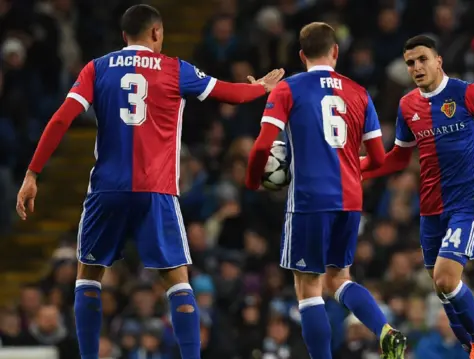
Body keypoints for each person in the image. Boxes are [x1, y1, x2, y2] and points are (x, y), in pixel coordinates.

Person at [15, 5, 283, 359]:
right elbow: (231, 94)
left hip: (107, 190)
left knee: (88, 276)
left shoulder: (96, 68)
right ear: (156, 32)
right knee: (177, 281)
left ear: (124, 35)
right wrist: (262, 87)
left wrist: (33, 173)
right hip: (155, 190)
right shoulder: (175, 69)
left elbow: (61, 119)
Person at [245, 22, 407, 359]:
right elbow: (378, 158)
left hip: (309, 199)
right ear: (335, 52)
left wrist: (251, 179)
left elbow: (262, 147)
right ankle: (384, 329)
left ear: (302, 55)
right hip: (349, 199)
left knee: (308, 288)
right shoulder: (359, 92)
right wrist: (345, 168)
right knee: (338, 278)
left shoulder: (288, 89)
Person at [360, 34, 474, 359]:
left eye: (422, 59)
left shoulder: (466, 93)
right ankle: (469, 347)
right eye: (410, 63)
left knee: (446, 279)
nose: (416, 67)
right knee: (440, 288)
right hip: (430, 207)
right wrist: (354, 168)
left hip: (467, 202)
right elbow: (399, 157)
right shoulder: (408, 104)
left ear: (438, 60)